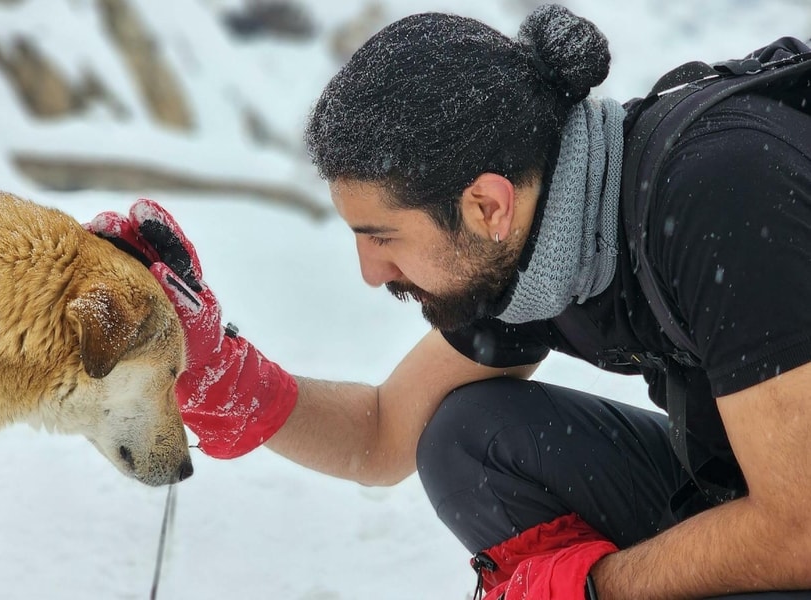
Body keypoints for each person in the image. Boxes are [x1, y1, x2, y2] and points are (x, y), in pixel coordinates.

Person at [88, 4, 811, 599]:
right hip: (761, 492)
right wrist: (230, 376)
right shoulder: (540, 242)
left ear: (485, 205)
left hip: (797, 516)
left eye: (382, 237)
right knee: (468, 438)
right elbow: (381, 435)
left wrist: (590, 587)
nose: (371, 271)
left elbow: (800, 529)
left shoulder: (723, 196)